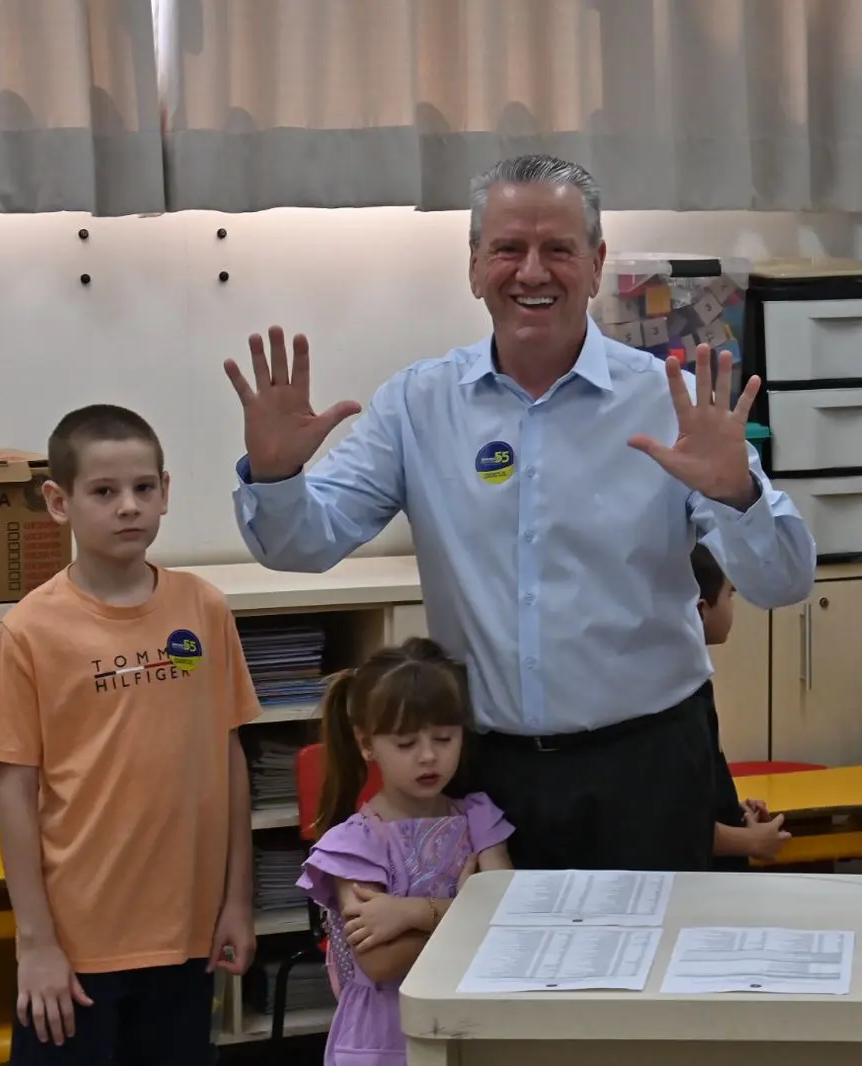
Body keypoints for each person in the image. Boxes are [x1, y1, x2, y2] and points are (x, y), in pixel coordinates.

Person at [224, 153, 817, 872]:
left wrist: (738, 496)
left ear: (597, 265)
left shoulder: (672, 401)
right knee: (498, 979)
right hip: (487, 779)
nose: (531, 272)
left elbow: (783, 584)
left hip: (652, 767)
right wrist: (280, 475)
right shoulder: (419, 405)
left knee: (655, 974)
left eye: (558, 249)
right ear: (474, 265)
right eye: (508, 248)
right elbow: (302, 544)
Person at [0, 404, 259, 1064]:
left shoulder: (203, 609)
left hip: (187, 934)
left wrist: (238, 901)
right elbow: (15, 791)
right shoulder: (30, 630)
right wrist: (35, 942)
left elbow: (229, 756)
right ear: (58, 501)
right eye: (104, 492)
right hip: (75, 950)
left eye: (143, 489)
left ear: (165, 492)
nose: (129, 507)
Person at [298, 637, 513, 1065]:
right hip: (386, 1037)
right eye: (405, 743)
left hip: (470, 1020)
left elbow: (506, 919)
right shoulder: (354, 846)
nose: (428, 756)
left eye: (444, 737)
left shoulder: (479, 816)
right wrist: (467, 909)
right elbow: (380, 962)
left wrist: (413, 913)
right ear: (366, 744)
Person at [691, 543, 791, 869]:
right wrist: (752, 841)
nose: (734, 605)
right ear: (701, 609)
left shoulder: (697, 686)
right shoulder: (674, 706)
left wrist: (734, 812)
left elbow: (698, 788)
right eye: (731, 595)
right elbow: (667, 820)